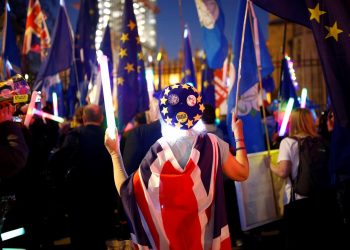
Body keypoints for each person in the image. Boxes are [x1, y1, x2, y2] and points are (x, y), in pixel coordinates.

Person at [105, 83, 249, 249]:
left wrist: (115, 153)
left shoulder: (158, 154)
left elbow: (126, 191)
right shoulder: (214, 145)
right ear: (198, 112)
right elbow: (242, 173)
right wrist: (238, 135)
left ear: (164, 115)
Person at [268, 108, 339, 250]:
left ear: (293, 122)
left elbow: (283, 171)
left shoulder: (288, 142)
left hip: (298, 201)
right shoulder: (320, 141)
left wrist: (270, 165)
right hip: (321, 198)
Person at [55, 104, 119, 249]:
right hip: (103, 195)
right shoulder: (110, 138)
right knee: (99, 238)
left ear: (83, 118)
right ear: (101, 118)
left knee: (79, 237)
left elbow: (61, 161)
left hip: (79, 195)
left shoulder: (74, 135)